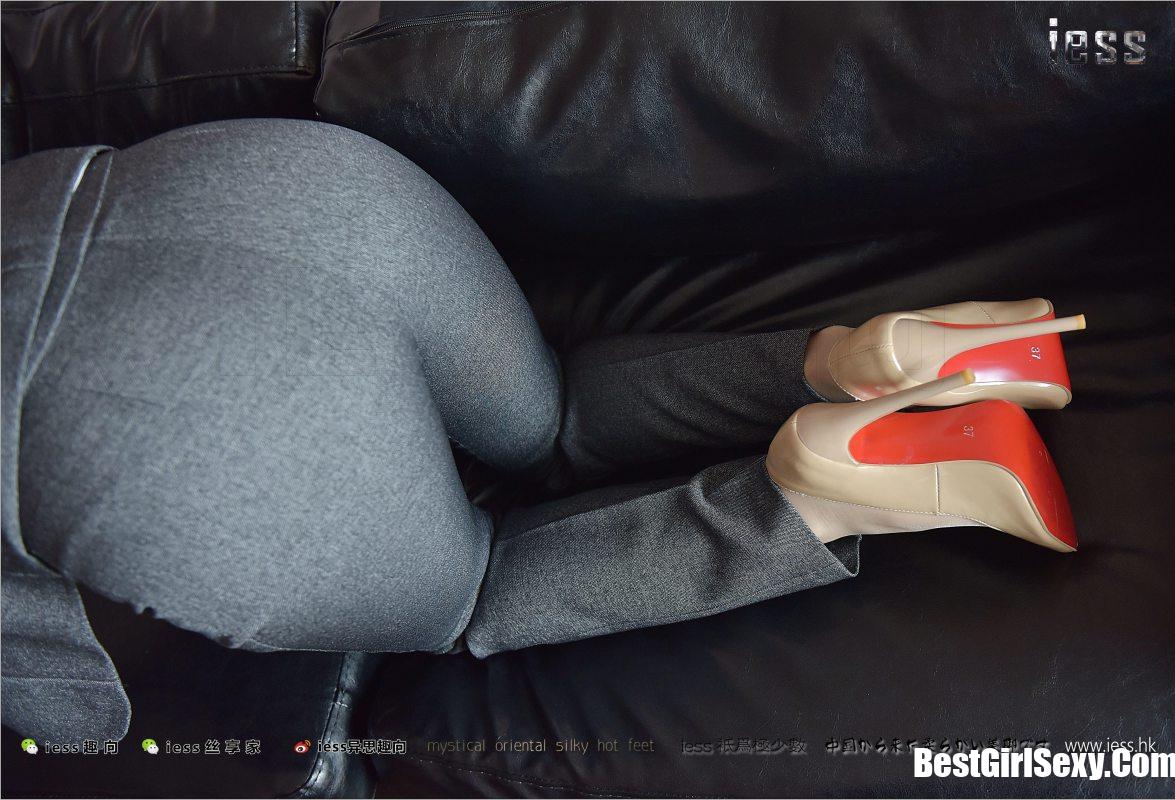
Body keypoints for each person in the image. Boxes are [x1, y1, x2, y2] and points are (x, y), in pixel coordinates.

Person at [1, 120, 1081, 741]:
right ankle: (867, 357)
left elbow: (60, 701)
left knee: (475, 591)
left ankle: (817, 493)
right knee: (551, 409)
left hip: (173, 410)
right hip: (285, 187)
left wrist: (69, 727)